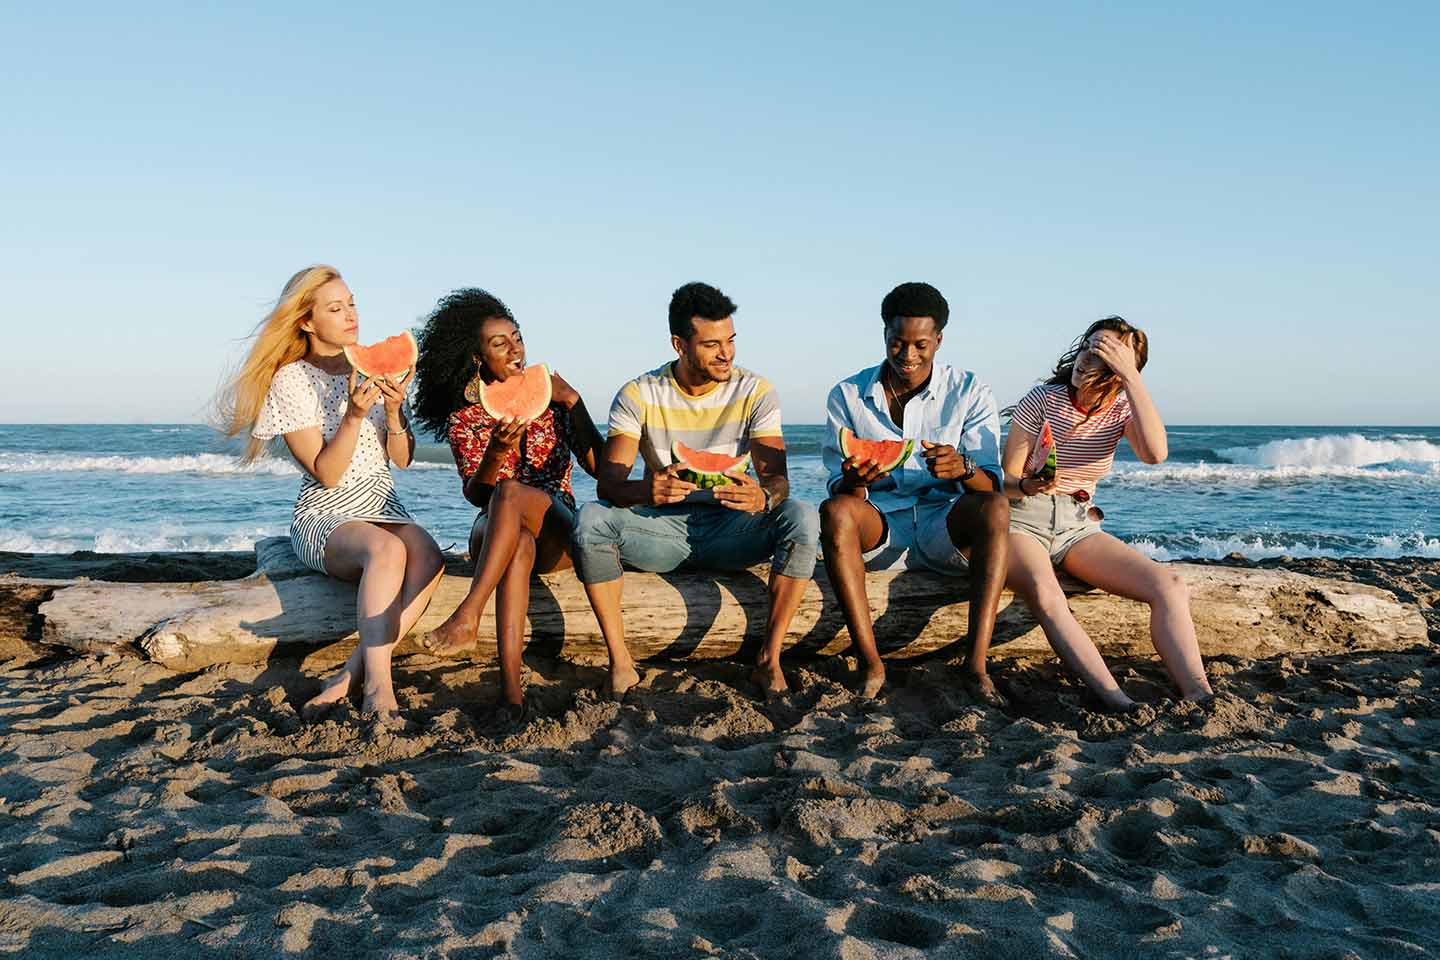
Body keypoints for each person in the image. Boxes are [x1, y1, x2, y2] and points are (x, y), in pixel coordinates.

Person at [571, 282, 820, 699]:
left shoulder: (755, 391)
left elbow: (777, 479)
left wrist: (764, 498)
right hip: (661, 532)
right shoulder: (639, 393)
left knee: (802, 515)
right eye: (711, 344)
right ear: (679, 345)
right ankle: (621, 663)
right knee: (591, 519)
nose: (726, 354)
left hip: (733, 531)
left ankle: (769, 659)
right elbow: (609, 485)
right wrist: (646, 491)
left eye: (731, 340)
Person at [219, 265, 444, 721]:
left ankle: (349, 673)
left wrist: (396, 412)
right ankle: (379, 688)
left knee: (430, 555)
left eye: (353, 303)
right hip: (326, 515)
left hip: (382, 504)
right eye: (335, 308)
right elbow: (325, 472)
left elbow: (401, 459)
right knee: (386, 551)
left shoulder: (372, 369)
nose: (350, 315)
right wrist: (355, 416)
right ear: (306, 320)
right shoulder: (291, 380)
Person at [1002, 316, 1214, 710]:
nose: (1087, 359)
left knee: (1169, 586)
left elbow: (1155, 455)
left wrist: (1133, 380)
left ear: (1121, 370)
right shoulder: (1043, 399)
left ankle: (1199, 694)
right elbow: (1006, 481)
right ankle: (1118, 701)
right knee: (1049, 597)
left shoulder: (1121, 408)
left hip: (1077, 525)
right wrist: (1030, 484)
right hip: (1021, 517)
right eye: (1088, 346)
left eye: (1104, 354)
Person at [410, 289, 603, 720]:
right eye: (500, 343)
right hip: (496, 529)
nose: (515, 348)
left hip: (557, 523)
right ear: (478, 358)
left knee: (511, 493)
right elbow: (476, 494)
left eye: (516, 337)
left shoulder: (552, 398)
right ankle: (512, 696)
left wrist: (574, 402)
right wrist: (496, 454)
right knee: (515, 539)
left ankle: (468, 613)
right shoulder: (466, 416)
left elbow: (602, 469)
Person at [820, 282, 1011, 702]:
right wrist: (856, 479)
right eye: (897, 343)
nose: (908, 355)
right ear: (885, 335)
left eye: (920, 344)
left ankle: (976, 666)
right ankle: (871, 664)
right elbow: (840, 487)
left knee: (995, 507)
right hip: (881, 523)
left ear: (939, 339)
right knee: (834, 510)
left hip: (943, 524)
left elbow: (992, 482)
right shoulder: (848, 395)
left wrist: (964, 467)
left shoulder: (970, 391)